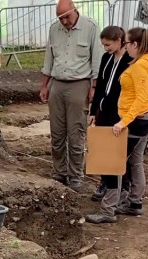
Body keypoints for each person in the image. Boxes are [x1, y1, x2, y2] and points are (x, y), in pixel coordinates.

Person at [40, 0, 102, 192]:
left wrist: (94, 87)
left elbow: (97, 59)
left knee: (76, 133)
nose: (64, 21)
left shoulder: (90, 28)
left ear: (75, 11)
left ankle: (75, 175)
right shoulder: (54, 29)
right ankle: (59, 171)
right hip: (57, 84)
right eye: (60, 18)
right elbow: (49, 58)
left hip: (79, 84)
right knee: (57, 132)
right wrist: (45, 85)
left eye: (66, 16)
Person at [111, 27, 148, 219]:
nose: (125, 47)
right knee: (135, 160)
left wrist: (123, 122)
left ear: (135, 44)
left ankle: (113, 201)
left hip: (139, 119)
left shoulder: (141, 66)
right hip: (146, 116)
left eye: (126, 43)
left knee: (117, 161)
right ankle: (134, 201)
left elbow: (140, 98)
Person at [86, 25, 132, 224]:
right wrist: (93, 111)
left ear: (120, 40)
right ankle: (108, 187)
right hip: (104, 112)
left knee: (116, 156)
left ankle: (119, 196)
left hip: (119, 114)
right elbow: (101, 87)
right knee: (104, 153)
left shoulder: (130, 61)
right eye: (103, 44)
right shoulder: (106, 59)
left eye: (108, 44)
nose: (105, 48)